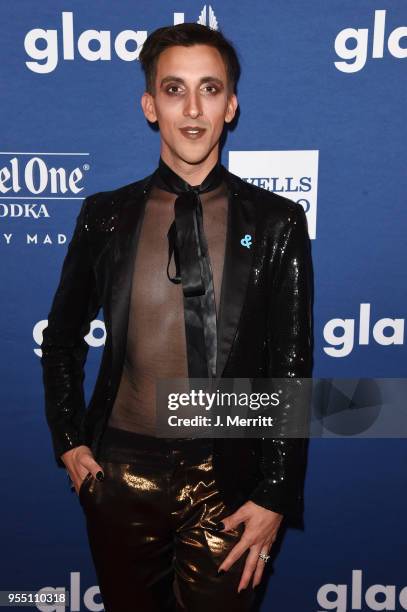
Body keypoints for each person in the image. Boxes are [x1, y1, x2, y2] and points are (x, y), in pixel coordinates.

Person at [40, 22, 313, 612]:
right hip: (119, 476)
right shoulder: (104, 216)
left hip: (228, 480)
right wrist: (69, 443)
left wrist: (274, 495)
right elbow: (61, 341)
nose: (192, 109)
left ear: (231, 105)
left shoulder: (277, 223)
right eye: (174, 89)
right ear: (149, 105)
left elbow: (291, 369)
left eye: (210, 89)